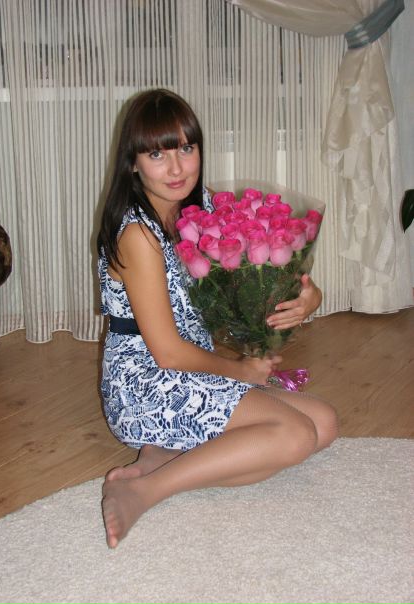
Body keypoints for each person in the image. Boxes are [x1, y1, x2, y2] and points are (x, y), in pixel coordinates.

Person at [97, 88, 338, 548]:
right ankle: (146, 490)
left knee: (323, 423)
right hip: (146, 383)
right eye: (157, 154)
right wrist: (241, 371)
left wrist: (309, 297)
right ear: (133, 163)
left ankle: (164, 456)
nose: (176, 168)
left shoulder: (200, 209)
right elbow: (167, 353)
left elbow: (259, 277)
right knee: (294, 435)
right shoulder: (137, 235)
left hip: (194, 368)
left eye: (186, 149)